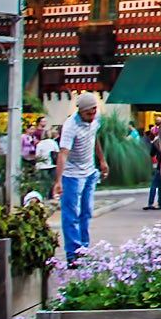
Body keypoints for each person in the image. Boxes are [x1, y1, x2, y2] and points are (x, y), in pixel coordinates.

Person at [56, 93, 109, 265]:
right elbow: (63, 153)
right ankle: (73, 253)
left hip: (89, 172)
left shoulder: (95, 118)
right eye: (88, 114)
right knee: (71, 214)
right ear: (80, 111)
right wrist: (58, 180)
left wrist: (102, 160)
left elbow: (94, 137)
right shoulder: (70, 126)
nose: (92, 116)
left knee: (86, 212)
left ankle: (83, 249)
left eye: (94, 112)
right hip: (71, 175)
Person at [34, 125, 60, 199]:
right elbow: (57, 152)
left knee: (43, 182)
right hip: (52, 164)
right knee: (52, 182)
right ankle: (51, 196)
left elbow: (37, 155)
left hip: (42, 165)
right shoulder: (53, 142)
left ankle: (43, 196)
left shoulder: (40, 144)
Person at [144, 123, 161, 211]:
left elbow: (152, 153)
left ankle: (151, 203)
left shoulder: (156, 142)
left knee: (154, 184)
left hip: (159, 165)